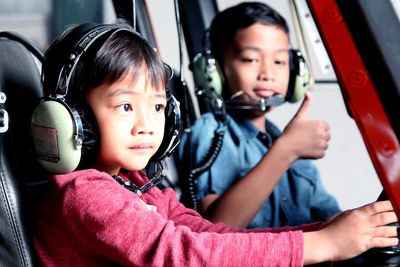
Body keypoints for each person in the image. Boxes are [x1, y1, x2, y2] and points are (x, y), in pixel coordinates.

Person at [31, 21, 398, 266]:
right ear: (74, 117)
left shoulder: (140, 186)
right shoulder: (84, 193)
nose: (147, 125)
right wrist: (322, 246)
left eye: (158, 107)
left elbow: (206, 234)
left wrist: (321, 232)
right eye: (126, 106)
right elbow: (182, 253)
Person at [179, 2, 341, 229]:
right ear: (214, 70)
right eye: (251, 59)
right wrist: (286, 150)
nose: (268, 74)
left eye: (279, 62)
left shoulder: (292, 144)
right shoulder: (211, 133)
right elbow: (214, 230)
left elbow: (332, 221)